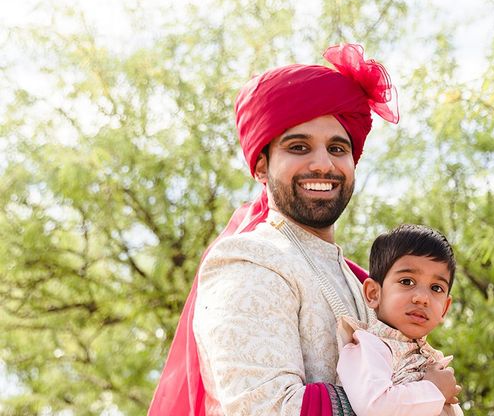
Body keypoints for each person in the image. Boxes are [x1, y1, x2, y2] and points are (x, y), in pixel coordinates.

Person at [149, 43, 461, 415]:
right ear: (262, 167)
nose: (323, 165)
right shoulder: (249, 260)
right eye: (298, 147)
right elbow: (266, 408)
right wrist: (419, 395)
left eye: (337, 148)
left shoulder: (362, 281)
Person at [336, 224, 464, 416]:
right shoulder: (368, 347)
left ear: (445, 308)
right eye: (407, 282)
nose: (422, 298)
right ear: (373, 293)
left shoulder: (429, 358)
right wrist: (434, 389)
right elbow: (374, 405)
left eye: (436, 288)